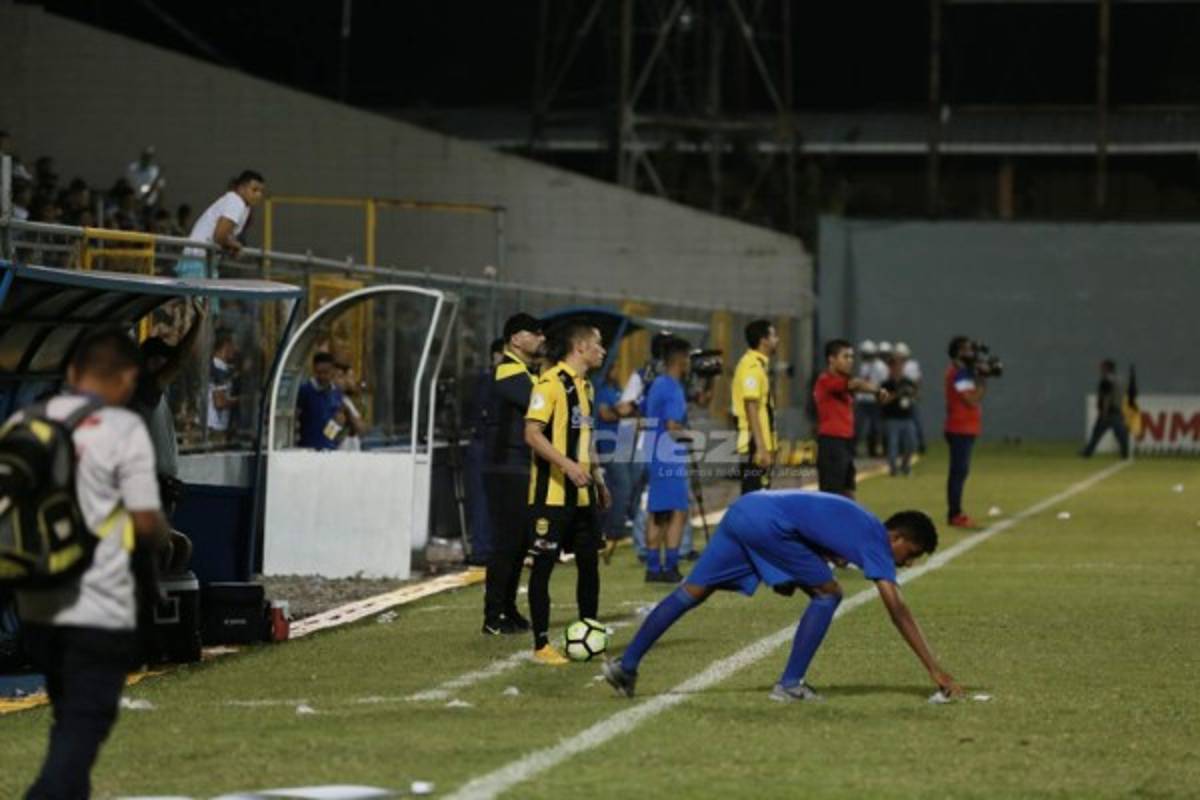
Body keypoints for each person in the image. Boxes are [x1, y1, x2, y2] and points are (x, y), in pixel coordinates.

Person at [602, 491, 962, 703]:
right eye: (910, 553)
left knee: (691, 592)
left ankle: (626, 666)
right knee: (828, 594)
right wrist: (934, 669)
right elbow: (897, 608)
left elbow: (810, 529)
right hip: (768, 523)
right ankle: (790, 684)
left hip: (746, 508)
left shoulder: (860, 522)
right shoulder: (876, 538)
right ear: (896, 537)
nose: (908, 562)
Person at [14, 328, 171, 799]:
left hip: (37, 603)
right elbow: (146, 522)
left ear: (72, 371)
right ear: (127, 378)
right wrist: (167, 538)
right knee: (86, 721)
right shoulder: (122, 429)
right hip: (99, 605)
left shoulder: (26, 421)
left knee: (68, 717)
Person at [523, 322, 610, 664]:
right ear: (580, 348)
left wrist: (599, 479)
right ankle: (542, 644)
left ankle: (591, 630)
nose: (602, 351)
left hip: (583, 496)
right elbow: (532, 433)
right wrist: (567, 466)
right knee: (543, 567)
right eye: (598, 344)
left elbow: (587, 440)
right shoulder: (550, 383)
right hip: (551, 496)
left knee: (589, 565)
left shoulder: (586, 387)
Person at [130, 299, 206, 574]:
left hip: (161, 493)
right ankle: (147, 607)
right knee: (164, 549)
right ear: (150, 363)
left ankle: (167, 606)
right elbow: (180, 361)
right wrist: (199, 324)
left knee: (180, 546)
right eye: (162, 359)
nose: (167, 367)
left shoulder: (156, 397)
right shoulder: (144, 391)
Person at [480, 314, 544, 635]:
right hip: (505, 466)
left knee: (519, 542)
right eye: (534, 333)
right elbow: (541, 405)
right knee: (506, 542)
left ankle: (508, 608)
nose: (540, 338)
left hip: (518, 466)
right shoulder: (508, 371)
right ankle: (493, 616)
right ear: (515, 339)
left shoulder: (524, 373)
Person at [643, 337, 693, 583]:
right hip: (670, 456)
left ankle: (653, 568)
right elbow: (673, 426)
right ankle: (670, 566)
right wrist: (691, 435)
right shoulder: (673, 387)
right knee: (676, 512)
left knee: (657, 513)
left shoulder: (657, 384)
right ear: (681, 359)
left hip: (654, 454)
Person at [813, 339, 886, 499]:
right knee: (831, 497)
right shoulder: (826, 380)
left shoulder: (842, 382)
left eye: (852, 357)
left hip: (845, 443)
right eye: (845, 357)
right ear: (831, 359)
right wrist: (877, 390)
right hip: (832, 443)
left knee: (848, 492)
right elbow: (855, 384)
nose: (850, 361)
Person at [176, 170, 265, 279]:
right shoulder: (236, 202)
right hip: (198, 259)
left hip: (203, 259)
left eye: (261, 191)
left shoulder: (243, 207)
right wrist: (235, 245)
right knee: (202, 295)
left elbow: (224, 237)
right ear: (241, 188)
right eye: (254, 190)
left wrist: (231, 247)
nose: (258, 195)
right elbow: (220, 235)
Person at [732, 320, 779, 495]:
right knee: (754, 498)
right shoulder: (751, 367)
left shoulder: (758, 365)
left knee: (761, 496)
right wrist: (760, 447)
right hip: (753, 444)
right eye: (774, 335)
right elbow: (750, 406)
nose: (777, 340)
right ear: (764, 340)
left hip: (759, 443)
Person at [944, 336, 986, 528]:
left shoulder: (963, 372)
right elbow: (971, 400)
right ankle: (955, 513)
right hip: (960, 427)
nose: (971, 353)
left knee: (960, 472)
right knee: (958, 472)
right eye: (967, 349)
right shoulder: (958, 373)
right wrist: (982, 380)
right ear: (958, 352)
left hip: (965, 427)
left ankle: (955, 511)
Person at [295, 352, 362, 450]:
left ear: (332, 371)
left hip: (329, 449)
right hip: (307, 448)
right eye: (319, 372)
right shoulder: (305, 390)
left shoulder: (336, 394)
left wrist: (336, 426)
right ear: (314, 370)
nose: (322, 376)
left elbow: (332, 431)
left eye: (326, 372)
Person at [1081, 359, 1130, 459]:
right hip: (1118, 410)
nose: (1100, 369)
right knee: (1121, 434)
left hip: (1108, 412)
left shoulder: (1106, 380)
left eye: (1102, 367)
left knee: (1097, 433)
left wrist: (1103, 412)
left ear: (1107, 368)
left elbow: (1106, 397)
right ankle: (1125, 453)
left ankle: (1088, 452)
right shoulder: (1121, 380)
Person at [881, 353, 919, 477]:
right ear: (890, 368)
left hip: (907, 417)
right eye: (896, 366)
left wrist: (912, 393)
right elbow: (883, 400)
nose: (898, 368)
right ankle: (893, 469)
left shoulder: (908, 381)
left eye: (901, 365)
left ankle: (905, 465)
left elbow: (918, 396)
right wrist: (897, 394)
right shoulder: (886, 384)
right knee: (893, 446)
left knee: (912, 444)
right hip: (892, 418)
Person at [854, 339, 884, 457]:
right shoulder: (862, 366)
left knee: (875, 427)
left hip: (874, 401)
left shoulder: (880, 367)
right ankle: (853, 448)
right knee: (858, 426)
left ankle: (873, 450)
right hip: (863, 401)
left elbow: (882, 383)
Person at [207, 329, 238, 440]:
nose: (236, 349)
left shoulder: (220, 366)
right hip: (215, 429)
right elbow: (219, 402)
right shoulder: (218, 369)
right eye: (234, 345)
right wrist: (245, 401)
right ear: (226, 345)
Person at [895, 341, 926, 453]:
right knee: (901, 421)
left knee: (915, 420)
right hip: (900, 396)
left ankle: (921, 444)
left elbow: (917, 380)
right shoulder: (896, 365)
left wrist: (916, 393)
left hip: (910, 395)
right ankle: (902, 446)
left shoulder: (912, 365)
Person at [125, 145, 165, 209]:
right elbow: (128, 184)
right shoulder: (132, 168)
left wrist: (160, 206)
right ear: (142, 155)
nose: (147, 158)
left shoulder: (155, 172)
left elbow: (159, 190)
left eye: (150, 156)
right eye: (146, 156)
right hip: (134, 203)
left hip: (150, 205)